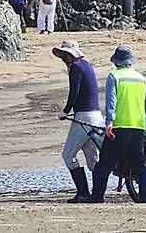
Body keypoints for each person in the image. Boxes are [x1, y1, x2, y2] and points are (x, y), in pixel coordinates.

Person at [88, 44, 146, 203]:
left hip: (119, 126)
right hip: (138, 125)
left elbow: (111, 102)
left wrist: (109, 123)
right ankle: (145, 195)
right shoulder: (141, 78)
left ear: (116, 61)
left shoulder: (114, 76)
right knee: (140, 163)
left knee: (104, 164)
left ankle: (97, 196)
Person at [53, 40, 104, 203]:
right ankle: (98, 194)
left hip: (84, 117)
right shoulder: (87, 65)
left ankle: (83, 193)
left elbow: (74, 93)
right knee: (93, 160)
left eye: (65, 55)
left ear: (70, 55)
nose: (63, 58)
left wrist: (65, 112)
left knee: (68, 155)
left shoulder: (76, 67)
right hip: (96, 116)